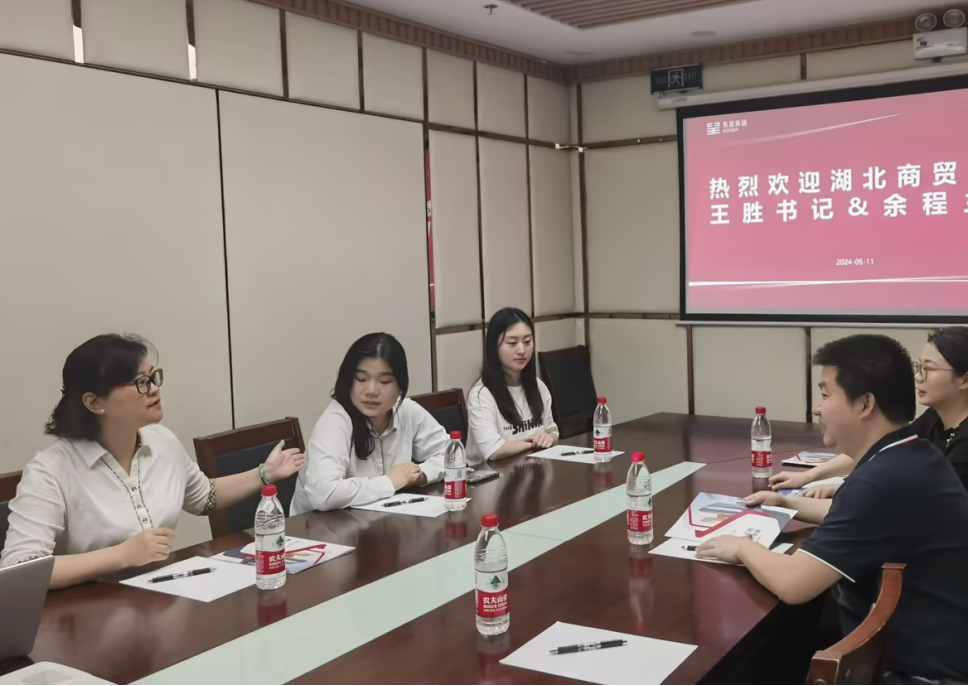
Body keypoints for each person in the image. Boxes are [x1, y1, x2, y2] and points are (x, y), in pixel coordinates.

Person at [697, 334, 968, 684]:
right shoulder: (912, 454)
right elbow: (862, 517)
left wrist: (742, 547)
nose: (817, 408)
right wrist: (787, 503)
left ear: (865, 404)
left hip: (923, 672)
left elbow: (794, 584)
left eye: (826, 395)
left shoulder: (883, 479)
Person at [0, 334, 304, 589]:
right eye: (141, 382)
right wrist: (121, 555)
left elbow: (203, 498)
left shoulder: (161, 440)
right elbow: (19, 568)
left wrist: (264, 473)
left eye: (153, 378)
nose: (155, 389)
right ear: (94, 402)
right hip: (90, 613)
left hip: (164, 595)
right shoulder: (51, 471)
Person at [771, 327, 968, 497]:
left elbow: (921, 498)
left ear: (965, 380)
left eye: (929, 369)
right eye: (918, 367)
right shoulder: (934, 418)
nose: (918, 377)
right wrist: (808, 476)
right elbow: (880, 450)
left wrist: (846, 489)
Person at [290, 333, 448, 514]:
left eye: (384, 381)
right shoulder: (335, 421)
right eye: (361, 379)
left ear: (401, 386)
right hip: (319, 526)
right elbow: (323, 494)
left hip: (382, 518)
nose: (371, 391)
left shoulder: (406, 410)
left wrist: (419, 474)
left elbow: (452, 454)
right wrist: (390, 482)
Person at [466, 308, 559, 463]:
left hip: (532, 470)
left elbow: (552, 431)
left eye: (527, 342)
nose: (521, 350)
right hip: (491, 475)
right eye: (512, 343)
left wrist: (549, 438)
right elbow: (493, 451)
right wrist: (533, 442)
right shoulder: (481, 395)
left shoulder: (538, 386)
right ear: (494, 347)